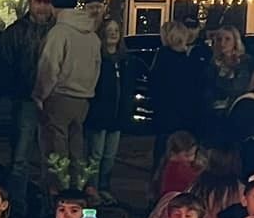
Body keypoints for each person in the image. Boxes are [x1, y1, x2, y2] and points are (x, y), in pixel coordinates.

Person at [33, 0, 100, 197]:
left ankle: (58, 195)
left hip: (59, 96)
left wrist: (40, 94)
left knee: (55, 150)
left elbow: (49, 66)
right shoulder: (91, 34)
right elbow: (97, 66)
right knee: (77, 149)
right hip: (84, 99)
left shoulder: (59, 32)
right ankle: (78, 192)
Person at [0, 0, 55, 196]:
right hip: (24, 102)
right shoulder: (15, 32)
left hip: (52, 102)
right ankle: (17, 207)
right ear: (30, 3)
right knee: (20, 158)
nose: (42, 7)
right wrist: (18, 93)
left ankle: (48, 207)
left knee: (51, 160)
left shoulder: (57, 31)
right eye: (38, 2)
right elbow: (5, 66)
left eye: (46, 2)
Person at [145, 19, 210, 153]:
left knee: (166, 150)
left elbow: (155, 84)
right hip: (184, 113)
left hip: (168, 114)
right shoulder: (186, 59)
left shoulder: (164, 57)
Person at [89, 18, 131, 201]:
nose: (113, 33)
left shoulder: (124, 60)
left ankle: (105, 186)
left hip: (117, 115)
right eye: (109, 29)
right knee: (95, 155)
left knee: (110, 155)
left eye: (116, 29)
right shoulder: (98, 58)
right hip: (100, 113)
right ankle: (93, 188)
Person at [155, 130, 205, 200]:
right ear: (173, 153)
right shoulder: (178, 167)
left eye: (193, 154)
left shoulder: (167, 165)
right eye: (187, 156)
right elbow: (199, 182)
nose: (191, 159)